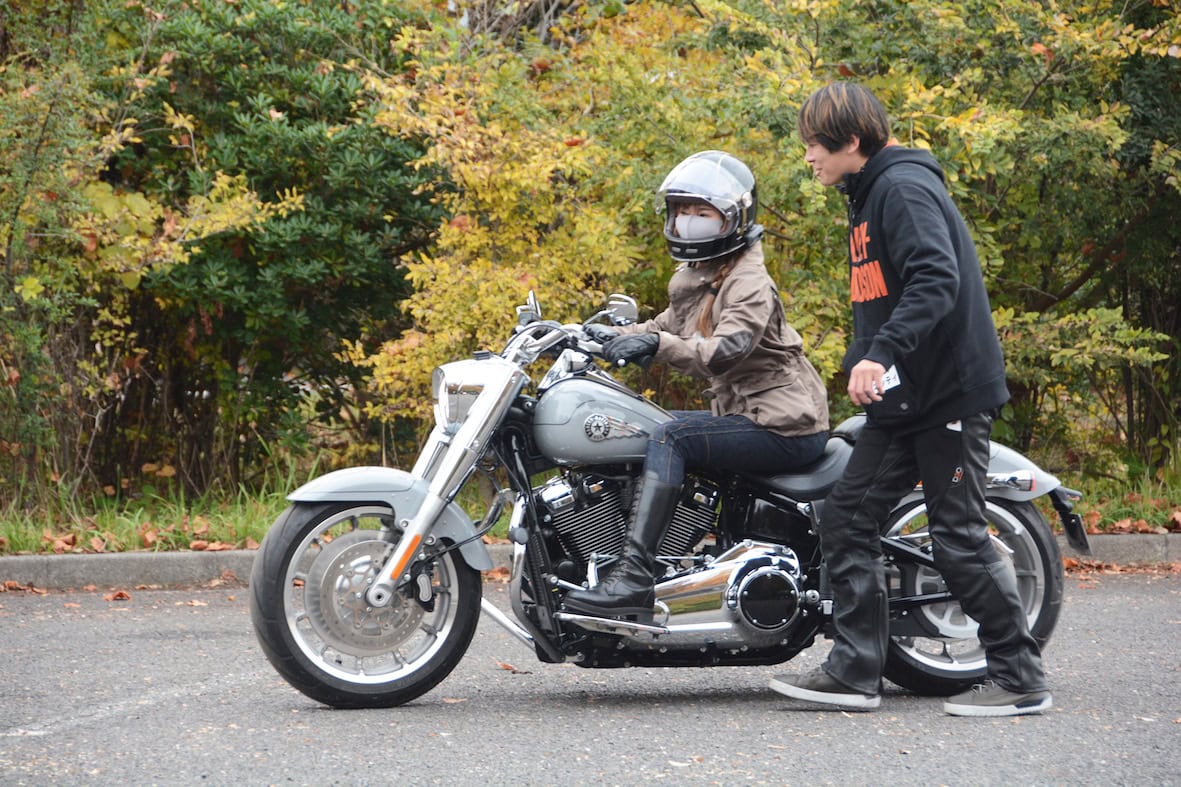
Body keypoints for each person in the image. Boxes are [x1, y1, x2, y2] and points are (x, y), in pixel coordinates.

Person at [769, 83, 1051, 717]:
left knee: (956, 537)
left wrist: (881, 353)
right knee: (846, 518)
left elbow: (935, 277)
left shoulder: (904, 188)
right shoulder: (867, 195)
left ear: (850, 140)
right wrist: (862, 358)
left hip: (946, 393)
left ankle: (1021, 679)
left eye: (814, 145)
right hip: (903, 400)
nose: (808, 157)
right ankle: (855, 672)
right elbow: (885, 295)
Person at [562, 150, 831, 620]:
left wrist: (654, 344)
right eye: (682, 211)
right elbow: (666, 323)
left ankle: (634, 576)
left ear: (732, 218)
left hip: (785, 424)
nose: (688, 222)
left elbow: (724, 350)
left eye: (701, 212)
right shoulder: (703, 274)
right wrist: (598, 337)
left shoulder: (748, 281)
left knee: (671, 436)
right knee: (643, 426)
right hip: (749, 415)